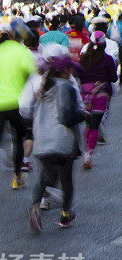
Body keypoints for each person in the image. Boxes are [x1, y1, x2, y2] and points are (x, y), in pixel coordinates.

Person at [21, 48, 83, 232]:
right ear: (64, 71)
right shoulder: (67, 87)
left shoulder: (43, 87)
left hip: (43, 140)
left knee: (45, 177)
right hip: (63, 141)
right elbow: (66, 118)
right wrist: (83, 114)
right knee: (66, 179)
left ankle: (35, 206)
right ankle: (65, 214)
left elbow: (27, 109)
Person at [0, 24, 37, 190]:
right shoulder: (23, 52)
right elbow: (31, 72)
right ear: (19, 37)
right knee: (18, 140)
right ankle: (16, 178)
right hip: (17, 103)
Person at [74, 31, 117, 169]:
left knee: (88, 124)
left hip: (85, 97)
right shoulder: (108, 60)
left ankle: (86, 149)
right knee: (94, 126)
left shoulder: (83, 59)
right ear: (104, 44)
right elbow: (114, 78)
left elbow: (77, 74)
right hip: (101, 96)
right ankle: (89, 154)